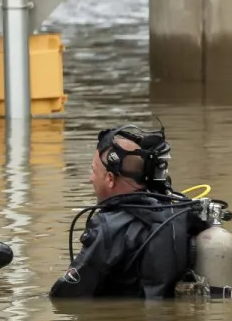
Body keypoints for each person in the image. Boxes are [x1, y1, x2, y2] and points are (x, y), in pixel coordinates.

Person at [49, 125, 194, 299]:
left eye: (93, 170)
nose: (90, 178)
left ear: (110, 179)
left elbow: (66, 295)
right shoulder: (182, 211)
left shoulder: (108, 227)